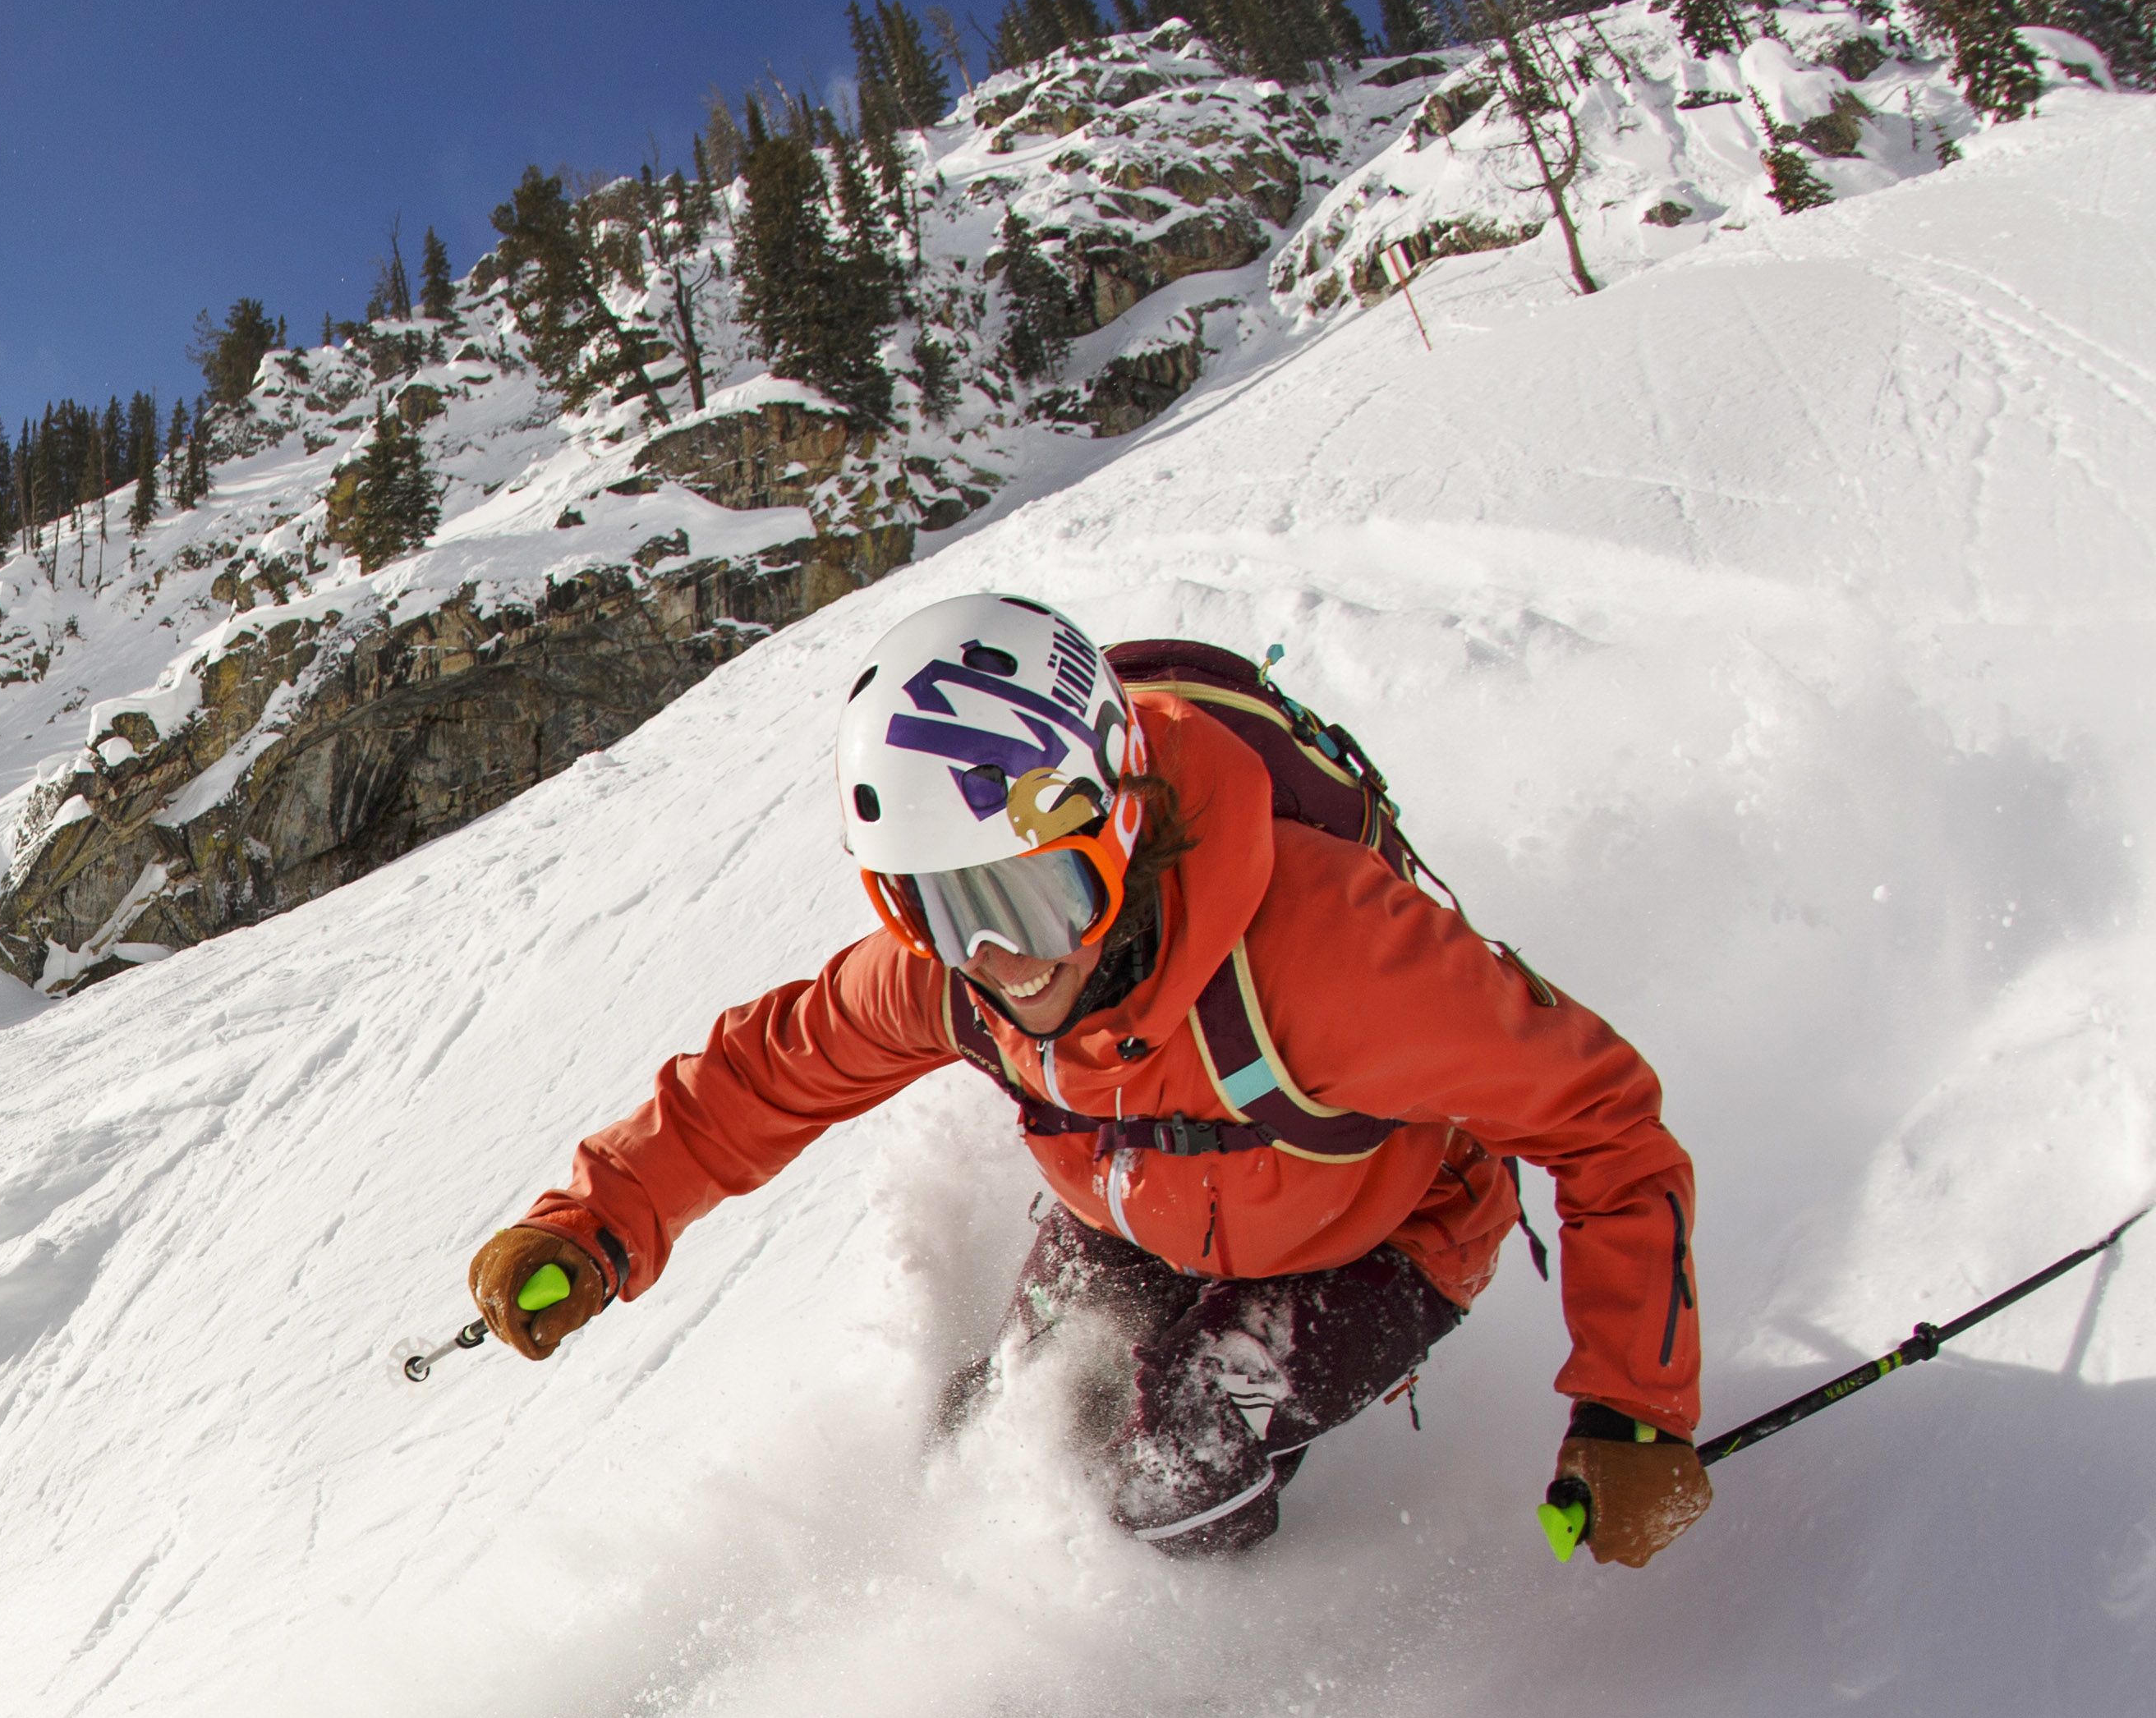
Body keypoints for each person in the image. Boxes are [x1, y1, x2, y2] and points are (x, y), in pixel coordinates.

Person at [467, 591, 1710, 1565]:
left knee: (1166, 1465)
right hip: (1138, 1207)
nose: (1010, 961)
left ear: (1116, 831)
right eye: (951, 914)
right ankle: (911, 1638)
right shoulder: (955, 976)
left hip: (1377, 1237)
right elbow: (765, 1073)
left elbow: (1605, 1124)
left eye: (1037, 896)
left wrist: (1634, 1412)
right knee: (1011, 1417)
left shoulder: (1331, 958)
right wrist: (596, 1224)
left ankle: (1150, 1670)